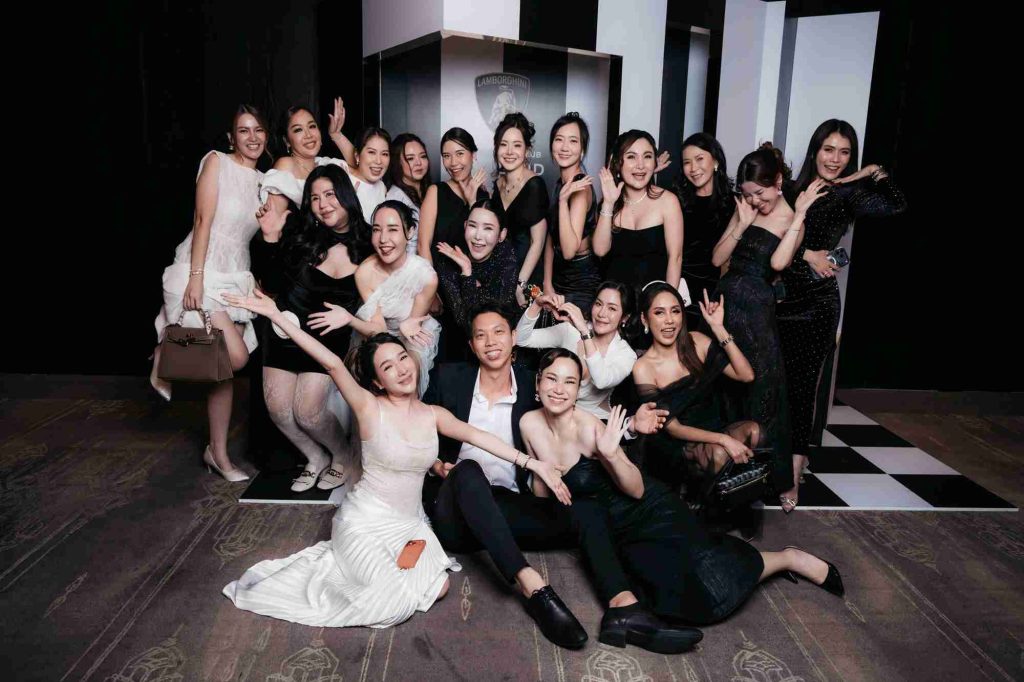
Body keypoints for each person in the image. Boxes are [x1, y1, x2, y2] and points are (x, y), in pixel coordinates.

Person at [221, 288, 570, 628]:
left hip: (410, 526)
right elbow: (330, 362)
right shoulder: (368, 407)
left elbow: (479, 437)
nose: (402, 370)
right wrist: (275, 316)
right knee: (387, 597)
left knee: (437, 587)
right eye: (388, 367)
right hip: (365, 522)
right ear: (377, 382)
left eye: (403, 358)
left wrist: (533, 463)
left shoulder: (433, 414)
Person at [521, 349, 845, 651]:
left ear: (578, 389)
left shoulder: (590, 427)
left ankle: (788, 558)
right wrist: (542, 477)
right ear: (538, 383)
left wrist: (611, 455)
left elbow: (636, 490)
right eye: (551, 378)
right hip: (609, 527)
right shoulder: (528, 424)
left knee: (712, 582)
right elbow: (542, 490)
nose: (559, 389)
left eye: (569, 382)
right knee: (665, 597)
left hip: (648, 510)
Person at [423, 301, 669, 649]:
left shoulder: (533, 382)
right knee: (468, 471)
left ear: (513, 337)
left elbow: (571, 411)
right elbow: (416, 435)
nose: (491, 342)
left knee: (585, 508)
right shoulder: (449, 378)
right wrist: (436, 465)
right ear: (471, 345)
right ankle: (533, 587)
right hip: (455, 511)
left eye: (499, 332)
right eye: (481, 336)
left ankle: (623, 606)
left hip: (507, 509)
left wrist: (629, 427)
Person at [777, 119, 908, 508]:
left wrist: (870, 173)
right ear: (814, 150)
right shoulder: (792, 190)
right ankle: (773, 457)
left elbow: (897, 203)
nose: (835, 159)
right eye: (828, 149)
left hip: (818, 303)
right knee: (774, 384)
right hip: (780, 300)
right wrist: (806, 253)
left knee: (804, 388)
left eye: (845, 152)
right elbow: (766, 238)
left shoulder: (849, 196)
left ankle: (794, 471)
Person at [151, 104, 268, 481]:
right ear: (232, 137)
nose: (252, 137)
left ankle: (217, 454)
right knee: (235, 357)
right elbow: (202, 220)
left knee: (223, 370)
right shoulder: (217, 161)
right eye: (243, 130)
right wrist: (197, 277)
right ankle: (163, 352)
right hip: (202, 267)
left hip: (236, 273)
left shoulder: (264, 180)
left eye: (258, 130)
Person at [710, 143, 826, 510]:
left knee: (762, 390)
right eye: (747, 194)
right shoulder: (745, 210)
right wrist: (741, 223)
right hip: (725, 308)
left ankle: (768, 479)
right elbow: (717, 258)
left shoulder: (792, 217)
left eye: (759, 194)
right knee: (723, 387)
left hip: (757, 315)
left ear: (777, 182)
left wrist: (800, 214)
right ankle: (723, 472)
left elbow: (777, 263)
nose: (754, 201)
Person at [249, 165, 370, 492]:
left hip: (328, 339)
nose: (323, 204)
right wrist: (270, 238)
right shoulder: (300, 234)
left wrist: (349, 316)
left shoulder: (369, 242)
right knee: (278, 410)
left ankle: (341, 455)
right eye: (315, 198)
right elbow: (271, 286)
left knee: (308, 412)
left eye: (330, 195)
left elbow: (381, 294)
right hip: (284, 331)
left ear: (345, 195)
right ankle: (314, 457)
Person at [631, 282, 758, 490]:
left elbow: (746, 375)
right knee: (718, 453)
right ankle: (698, 499)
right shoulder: (643, 367)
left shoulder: (697, 342)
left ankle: (735, 496)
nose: (669, 320)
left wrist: (718, 328)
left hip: (713, 425)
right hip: (677, 443)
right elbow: (674, 429)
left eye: (675, 311)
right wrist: (723, 440)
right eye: (659, 313)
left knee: (754, 431)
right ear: (645, 319)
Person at [318, 201, 440, 397]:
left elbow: (412, 325)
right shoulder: (365, 273)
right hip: (376, 334)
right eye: (376, 230)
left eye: (393, 229)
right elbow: (379, 330)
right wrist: (350, 319)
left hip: (412, 333)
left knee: (407, 375)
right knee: (370, 384)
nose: (383, 239)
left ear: (410, 232)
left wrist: (406, 326)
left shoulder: (426, 277)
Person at [516, 282, 637, 420]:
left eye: (612, 308)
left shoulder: (627, 355)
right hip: (555, 411)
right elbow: (520, 339)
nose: (602, 313)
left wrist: (584, 331)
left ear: (625, 317)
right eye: (598, 304)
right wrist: (537, 305)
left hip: (594, 419)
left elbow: (601, 380)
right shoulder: (571, 331)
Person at [593, 130, 683, 296]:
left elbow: (675, 258)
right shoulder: (609, 202)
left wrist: (666, 303)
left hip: (653, 301)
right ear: (618, 163)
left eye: (647, 156)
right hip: (615, 302)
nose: (640, 165)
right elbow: (600, 250)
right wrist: (608, 203)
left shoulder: (668, 201)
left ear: (654, 163)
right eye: (631, 157)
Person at [435, 199, 519, 355]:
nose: (478, 236)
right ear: (465, 226)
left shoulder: (505, 253)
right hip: (462, 348)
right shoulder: (448, 261)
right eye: (473, 226)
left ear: (501, 235)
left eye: (488, 228)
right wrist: (467, 272)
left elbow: (501, 312)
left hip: (503, 343)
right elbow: (467, 323)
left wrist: (470, 283)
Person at [674, 133, 735, 330]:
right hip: (681, 286)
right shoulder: (676, 200)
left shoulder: (734, 204)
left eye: (699, 159)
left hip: (716, 291)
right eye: (687, 162)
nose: (693, 168)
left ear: (715, 161)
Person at [543, 112, 602, 310]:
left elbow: (569, 251)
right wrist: (547, 283)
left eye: (573, 141)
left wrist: (562, 202)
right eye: (559, 139)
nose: (564, 147)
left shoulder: (580, 187)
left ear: (582, 149)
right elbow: (552, 235)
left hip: (581, 280)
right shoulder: (561, 183)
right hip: (558, 275)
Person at [491, 113, 548, 301]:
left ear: (527, 151)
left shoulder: (535, 185)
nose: (509, 151)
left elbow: (538, 241)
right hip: (499, 275)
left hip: (525, 279)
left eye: (517, 145)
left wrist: (520, 284)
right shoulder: (497, 185)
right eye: (503, 144)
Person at [416, 127, 489, 264]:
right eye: (446, 156)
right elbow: (422, 246)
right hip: (437, 273)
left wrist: (472, 201)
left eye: (460, 154)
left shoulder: (485, 196)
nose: (453, 162)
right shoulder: (435, 192)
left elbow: (485, 246)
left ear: (473, 155)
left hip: (472, 275)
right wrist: (431, 277)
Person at [385, 132, 432, 253]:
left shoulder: (430, 191)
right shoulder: (395, 198)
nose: (419, 163)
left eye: (423, 156)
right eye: (410, 158)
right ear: (397, 163)